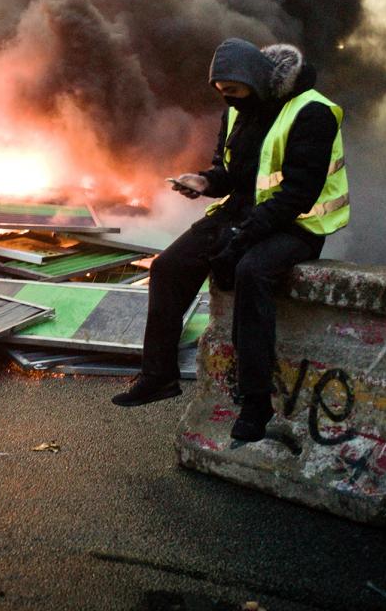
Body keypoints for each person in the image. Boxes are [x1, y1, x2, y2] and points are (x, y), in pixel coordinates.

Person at [111, 39, 350, 442]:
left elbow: (297, 194)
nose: (229, 101)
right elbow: (231, 174)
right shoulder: (237, 111)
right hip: (243, 213)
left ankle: (256, 403)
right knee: (168, 267)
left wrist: (242, 237)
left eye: (234, 93)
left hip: (297, 225)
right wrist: (204, 182)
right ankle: (158, 377)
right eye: (221, 93)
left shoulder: (313, 112)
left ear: (255, 81)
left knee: (250, 272)